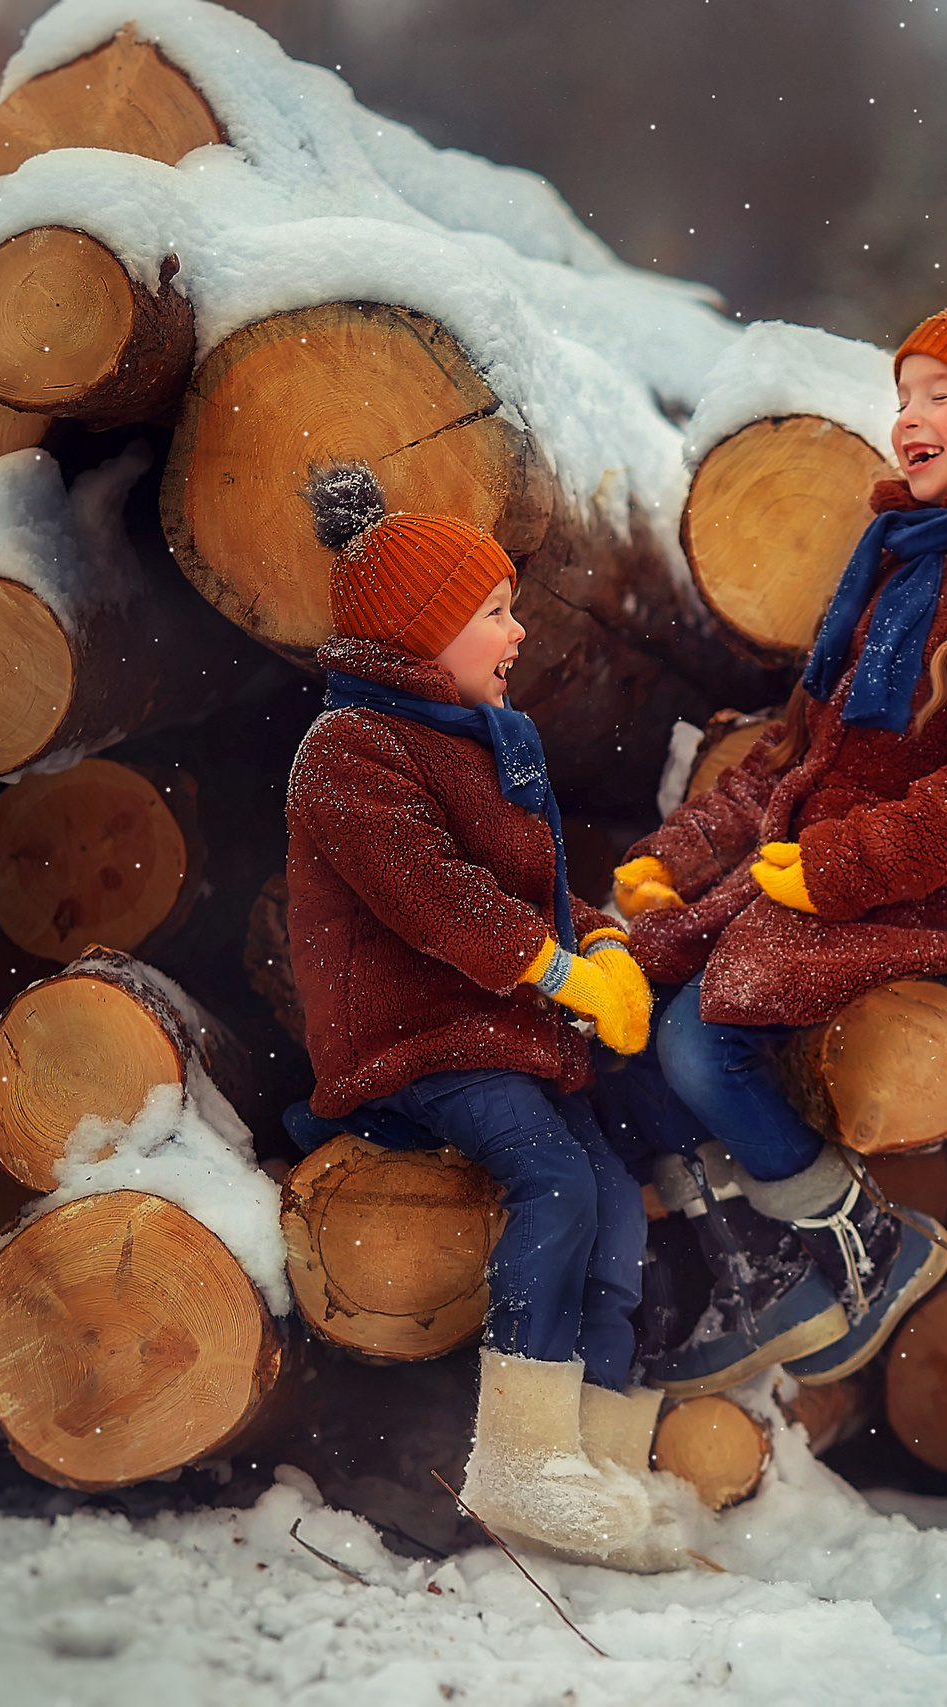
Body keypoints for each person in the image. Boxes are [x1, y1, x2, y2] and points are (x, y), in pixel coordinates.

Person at [618, 264, 947, 1395]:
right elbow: (800, 761)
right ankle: (756, 1261)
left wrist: (841, 867)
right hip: (836, 881)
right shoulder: (900, 568)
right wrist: (679, 855)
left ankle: (861, 1243)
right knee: (619, 1013)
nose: (907, 418)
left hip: (940, 898)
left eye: (941, 393)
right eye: (904, 393)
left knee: (706, 1036)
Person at [281, 461, 680, 1570]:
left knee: (612, 1195)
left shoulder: (485, 736)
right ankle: (519, 1458)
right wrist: (556, 974)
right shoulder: (349, 753)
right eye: (493, 613)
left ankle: (596, 1459)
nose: (514, 633)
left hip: (499, 1030)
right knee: (552, 1180)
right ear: (422, 634)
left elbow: (531, 890)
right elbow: (429, 894)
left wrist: (596, 940)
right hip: (415, 1039)